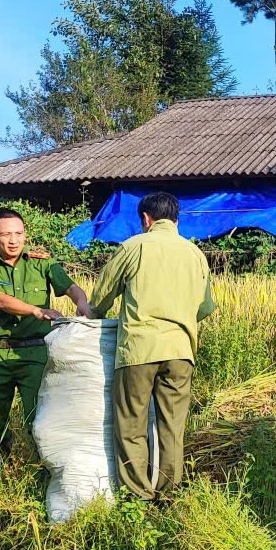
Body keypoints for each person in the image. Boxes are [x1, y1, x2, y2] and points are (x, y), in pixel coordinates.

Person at [90, 192, 216, 501]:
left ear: (146, 219)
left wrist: (92, 314)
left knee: (131, 426)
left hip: (139, 351)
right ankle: (168, 497)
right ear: (176, 219)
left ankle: (138, 498)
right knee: (172, 428)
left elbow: (101, 297)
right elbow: (206, 306)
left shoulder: (134, 247)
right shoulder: (194, 254)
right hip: (181, 353)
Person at [0, 207, 91, 466]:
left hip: (36, 353)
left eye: (19, 233)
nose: (13, 240)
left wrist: (81, 301)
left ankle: (42, 472)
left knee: (39, 419)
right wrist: (36, 310)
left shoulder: (41, 261)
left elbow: (68, 286)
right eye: (5, 234)